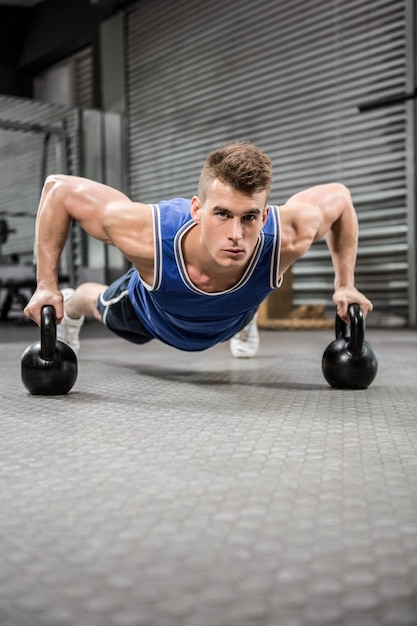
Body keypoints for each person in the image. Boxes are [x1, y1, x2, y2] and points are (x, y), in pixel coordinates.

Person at [24, 141, 373, 359]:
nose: (236, 234)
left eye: (250, 217)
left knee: (243, 301)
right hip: (150, 314)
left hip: (233, 312)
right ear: (197, 210)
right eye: (222, 214)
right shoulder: (149, 235)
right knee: (96, 303)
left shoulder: (287, 236)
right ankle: (74, 304)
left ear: (265, 214)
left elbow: (340, 198)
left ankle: (242, 323)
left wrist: (345, 284)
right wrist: (46, 285)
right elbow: (59, 190)